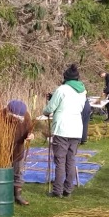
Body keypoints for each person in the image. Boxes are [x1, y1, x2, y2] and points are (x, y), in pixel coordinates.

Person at [42, 64, 87, 197]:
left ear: (65, 78)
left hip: (62, 128)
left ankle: (57, 191)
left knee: (60, 160)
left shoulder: (62, 89)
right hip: (76, 128)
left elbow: (50, 109)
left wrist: (45, 111)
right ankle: (68, 189)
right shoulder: (83, 91)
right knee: (71, 159)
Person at [5, 99, 34, 206]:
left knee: (18, 172)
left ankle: (18, 195)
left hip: (18, 149)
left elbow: (30, 129)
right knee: (4, 173)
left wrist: (30, 135)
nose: (16, 121)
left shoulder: (26, 116)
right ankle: (4, 194)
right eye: (14, 118)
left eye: (18, 119)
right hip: (2, 151)